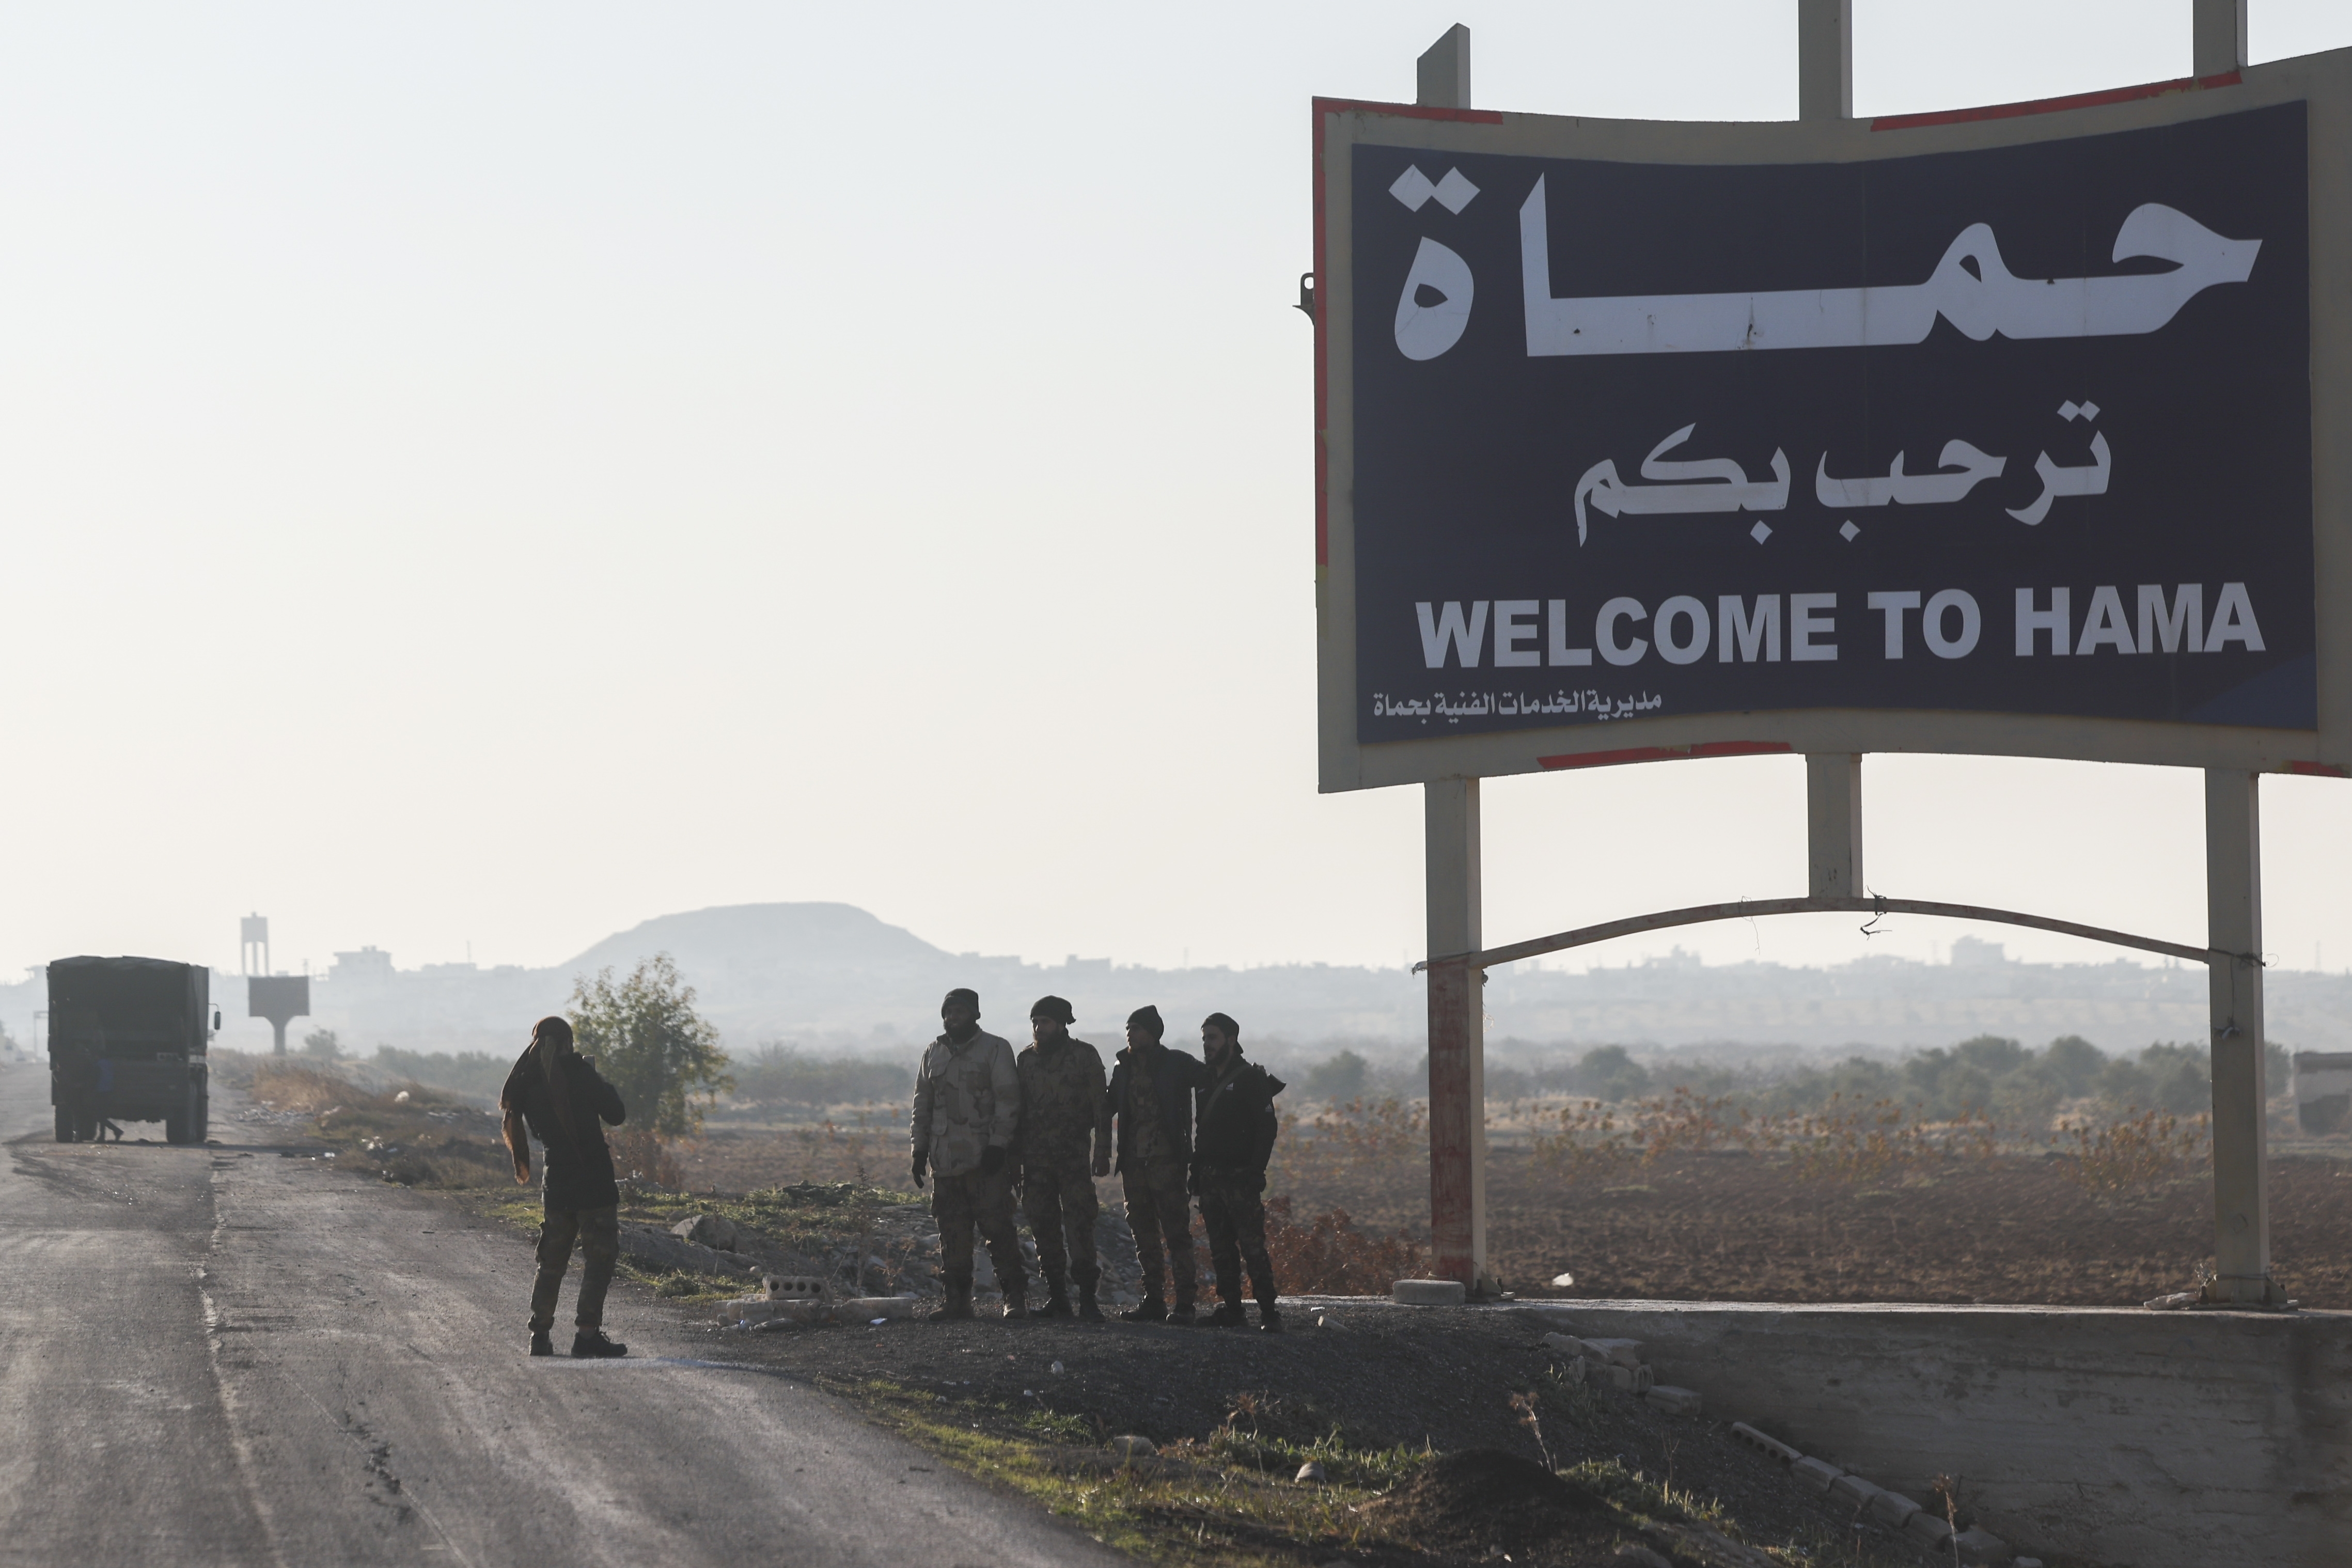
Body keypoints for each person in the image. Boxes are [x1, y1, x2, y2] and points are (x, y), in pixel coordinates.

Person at [500, 1015, 629, 1359]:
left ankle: (539, 1336)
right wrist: (600, 1081)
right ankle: (587, 1335)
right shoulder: (581, 1073)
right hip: (594, 1182)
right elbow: (616, 1114)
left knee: (551, 1261)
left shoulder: (528, 1083)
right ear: (568, 1043)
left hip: (557, 1185)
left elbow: (538, 1133)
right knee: (599, 1258)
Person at [910, 987, 1028, 1320]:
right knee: (952, 1234)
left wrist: (998, 1145)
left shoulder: (995, 1049)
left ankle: (1014, 1299)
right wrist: (919, 1151)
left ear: (975, 1014)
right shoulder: (933, 1053)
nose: (953, 1018)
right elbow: (922, 1105)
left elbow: (1008, 1101)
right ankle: (957, 1301)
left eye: (959, 1012)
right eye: (948, 1013)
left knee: (998, 1231)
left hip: (984, 1160)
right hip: (945, 1162)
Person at [1105, 1005, 1208, 1324]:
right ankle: (1153, 1300)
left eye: (1136, 1029)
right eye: (1128, 1029)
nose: (1130, 1035)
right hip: (1134, 1165)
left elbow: (1212, 1078)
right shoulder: (1123, 1068)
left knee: (1177, 1235)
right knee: (1143, 1235)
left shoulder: (1177, 1064)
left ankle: (1186, 1304)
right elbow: (1107, 1105)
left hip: (1168, 1163)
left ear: (1153, 1033)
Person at [1013, 996, 1111, 1321]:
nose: (1038, 1028)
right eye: (1035, 1022)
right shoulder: (1026, 1060)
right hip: (1035, 1161)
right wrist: (1015, 1161)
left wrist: (1102, 1153)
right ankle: (1058, 1297)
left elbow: (1100, 1109)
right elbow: (1017, 1112)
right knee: (1043, 1228)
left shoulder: (1084, 1056)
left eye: (1045, 1022)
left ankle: (1087, 1299)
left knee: (1080, 1226)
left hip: (1073, 1159)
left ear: (1062, 1024)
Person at [1191, 1012, 1286, 1332]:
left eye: (1213, 1038)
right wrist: (1196, 1171)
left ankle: (1270, 1313)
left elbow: (1267, 1128)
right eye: (1204, 1039)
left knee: (1252, 1248)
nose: (1207, 1045)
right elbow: (1202, 1130)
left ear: (1231, 1040)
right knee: (1221, 1249)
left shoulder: (1249, 1078)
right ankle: (1232, 1310)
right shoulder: (1205, 1080)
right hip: (1211, 1177)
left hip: (1241, 1178)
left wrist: (1256, 1171)